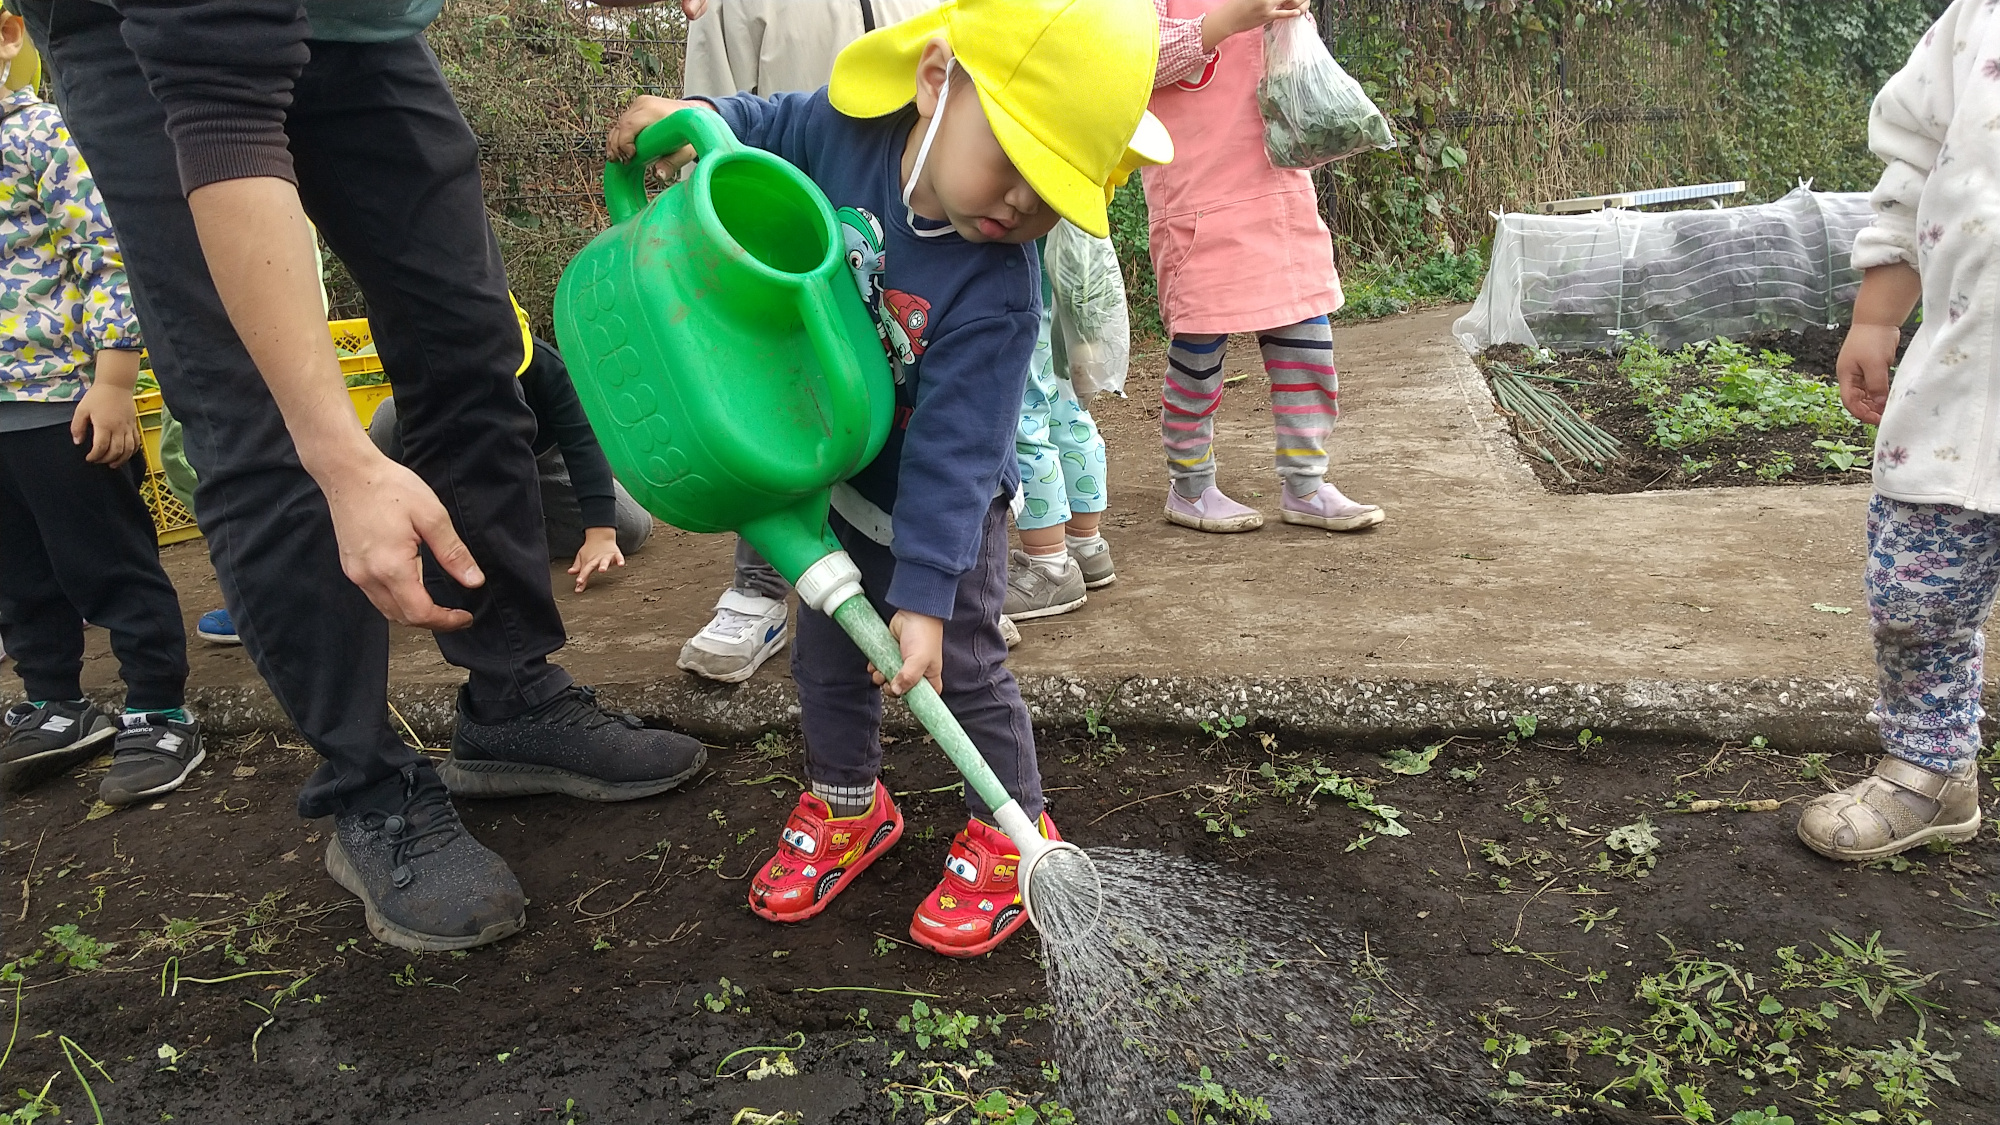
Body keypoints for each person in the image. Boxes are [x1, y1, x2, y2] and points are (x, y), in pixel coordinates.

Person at [20, 0, 709, 953]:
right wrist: (345, 463)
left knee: (469, 346)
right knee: (253, 416)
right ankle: (370, 786)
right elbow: (220, 118)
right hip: (154, 45)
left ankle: (510, 701)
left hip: (363, 29)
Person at [609, 0, 1167, 956]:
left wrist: (925, 594)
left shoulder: (998, 289)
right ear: (936, 80)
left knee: (966, 664)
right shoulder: (845, 130)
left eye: (1052, 193)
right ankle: (848, 804)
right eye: (1016, 165)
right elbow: (759, 126)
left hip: (944, 512)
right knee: (824, 653)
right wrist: (695, 111)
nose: (1022, 208)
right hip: (834, 472)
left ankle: (1012, 827)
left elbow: (959, 453)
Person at [676, 0, 943, 684]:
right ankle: (760, 587)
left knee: (891, 415)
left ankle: (926, 590)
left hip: (893, 247)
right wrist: (702, 121)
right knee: (773, 414)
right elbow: (719, 116)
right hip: (771, 260)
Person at [1798, 0, 1992, 862]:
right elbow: (1914, 161)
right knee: (1916, 596)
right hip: (1966, 386)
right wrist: (1878, 318)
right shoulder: (1975, 20)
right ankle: (1932, 766)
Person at [0, 12, 201, 807]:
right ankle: (55, 700)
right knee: (18, 574)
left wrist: (113, 378)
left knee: (108, 560)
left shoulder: (41, 135)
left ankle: (159, 703)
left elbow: (103, 248)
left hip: (61, 403)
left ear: (9, 34)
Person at [1145, 0, 1384, 534]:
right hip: (1195, 191)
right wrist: (1228, 21)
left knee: (1306, 337)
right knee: (1199, 346)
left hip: (1276, 185)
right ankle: (1190, 484)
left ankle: (1306, 483)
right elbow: (1137, 58)